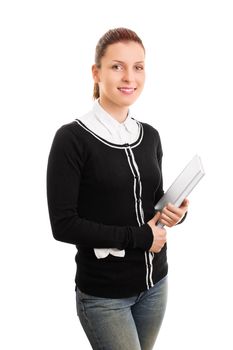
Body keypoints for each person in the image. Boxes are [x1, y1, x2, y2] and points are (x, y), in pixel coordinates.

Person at [47, 27, 189, 350]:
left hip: (155, 286)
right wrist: (138, 238)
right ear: (96, 73)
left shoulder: (150, 136)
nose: (130, 77)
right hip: (104, 296)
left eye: (138, 66)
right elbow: (63, 224)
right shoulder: (72, 140)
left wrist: (174, 211)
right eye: (117, 66)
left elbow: (149, 203)